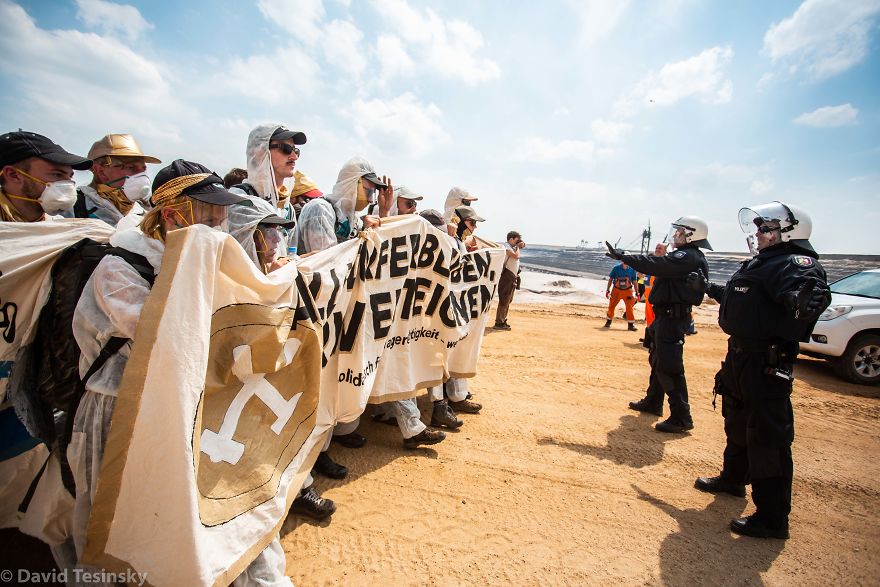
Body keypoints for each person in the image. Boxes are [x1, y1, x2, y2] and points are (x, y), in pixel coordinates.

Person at [66, 159, 294, 584]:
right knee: (120, 528)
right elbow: (168, 336)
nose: (219, 228)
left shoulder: (203, 264)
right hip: (123, 413)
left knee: (214, 512)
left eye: (221, 217)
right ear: (172, 216)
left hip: (190, 407)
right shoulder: (121, 269)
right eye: (209, 217)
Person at [688, 201, 830, 540]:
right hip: (740, 356)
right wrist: (709, 288)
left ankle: (772, 517)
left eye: (766, 228)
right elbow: (743, 300)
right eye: (759, 228)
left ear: (789, 232)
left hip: (767, 361)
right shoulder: (761, 263)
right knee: (736, 419)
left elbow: (807, 290)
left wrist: (803, 299)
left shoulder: (794, 262)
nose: (759, 234)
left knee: (768, 437)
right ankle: (733, 479)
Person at [608, 216, 712, 433]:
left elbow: (656, 264)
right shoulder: (685, 256)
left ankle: (681, 417)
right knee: (658, 360)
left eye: (680, 232)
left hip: (672, 318)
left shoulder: (688, 257)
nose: (676, 235)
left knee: (670, 365)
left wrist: (625, 256)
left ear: (691, 235)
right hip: (664, 316)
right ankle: (654, 401)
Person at [63, 134, 161, 225]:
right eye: (131, 167)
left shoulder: (145, 215)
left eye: (143, 169)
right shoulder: (73, 208)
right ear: (101, 171)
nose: (141, 175)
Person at [0, 130, 92, 222]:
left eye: (70, 176)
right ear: (13, 175)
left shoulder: (60, 226)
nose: (69, 184)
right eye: (57, 174)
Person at [494, 231, 525, 330]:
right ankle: (499, 323)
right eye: (516, 240)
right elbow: (516, 256)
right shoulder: (506, 247)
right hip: (507, 277)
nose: (517, 242)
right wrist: (518, 247)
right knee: (504, 299)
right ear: (511, 239)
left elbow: (521, 247)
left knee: (508, 300)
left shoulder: (512, 247)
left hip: (511, 277)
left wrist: (520, 245)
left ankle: (502, 320)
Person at [604, 261, 638, 331]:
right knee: (611, 306)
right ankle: (608, 322)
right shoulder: (616, 268)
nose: (626, 261)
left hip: (628, 291)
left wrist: (637, 293)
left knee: (629, 307)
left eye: (627, 259)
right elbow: (610, 279)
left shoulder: (632, 270)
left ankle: (630, 325)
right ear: (622, 260)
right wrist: (607, 290)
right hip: (616, 291)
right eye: (624, 259)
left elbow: (635, 282)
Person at [642, 243, 669, 329]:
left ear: (665, 251)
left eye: (660, 248)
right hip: (649, 297)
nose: (657, 249)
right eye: (656, 248)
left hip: (660, 297)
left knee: (660, 319)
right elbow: (644, 278)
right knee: (649, 317)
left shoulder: (667, 263)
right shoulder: (652, 263)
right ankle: (650, 333)